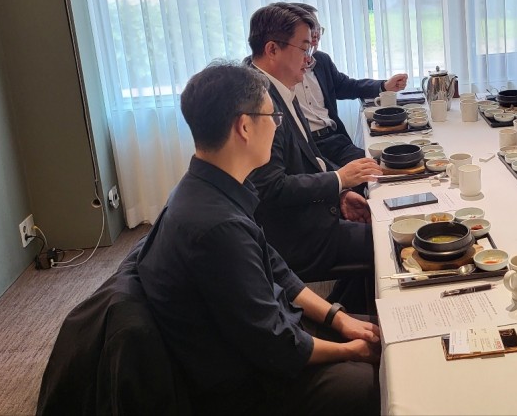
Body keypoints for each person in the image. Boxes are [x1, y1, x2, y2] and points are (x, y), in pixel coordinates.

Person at [136, 61, 381, 414]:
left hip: (268, 335)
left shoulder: (212, 187)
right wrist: (350, 351)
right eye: (273, 117)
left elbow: (277, 270)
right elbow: (276, 345)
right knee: (381, 377)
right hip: (251, 381)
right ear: (244, 126)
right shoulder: (218, 228)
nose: (278, 125)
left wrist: (338, 318)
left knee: (386, 329)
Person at [245, 3, 383, 312]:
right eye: (304, 48)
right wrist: (338, 179)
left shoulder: (279, 87)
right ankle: (345, 320)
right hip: (291, 235)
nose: (310, 59)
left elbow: (309, 159)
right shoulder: (257, 101)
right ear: (272, 49)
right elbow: (270, 188)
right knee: (387, 241)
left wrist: (341, 193)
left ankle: (341, 309)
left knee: (378, 225)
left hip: (308, 214)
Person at [291, 2, 408, 167]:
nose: (315, 35)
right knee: (359, 174)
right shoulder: (279, 75)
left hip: (334, 140)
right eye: (310, 29)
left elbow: (346, 86)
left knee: (382, 164)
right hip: (306, 147)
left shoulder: (322, 60)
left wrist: (384, 86)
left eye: (317, 28)